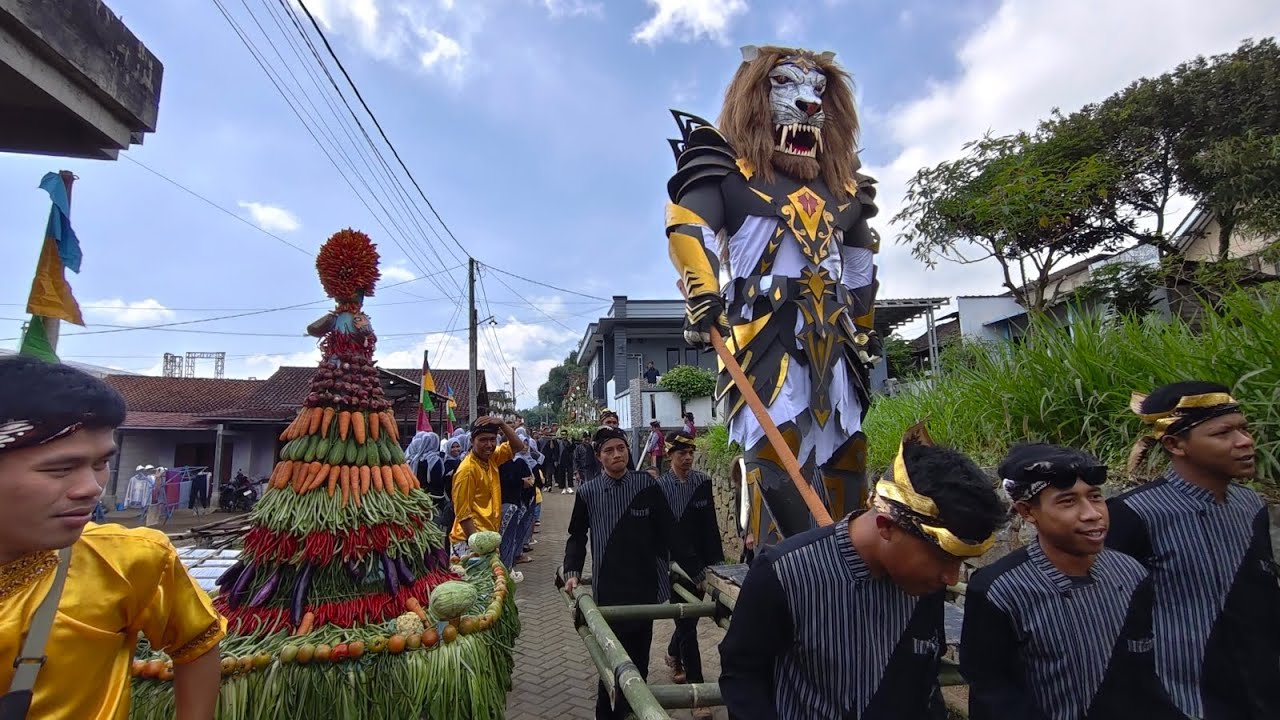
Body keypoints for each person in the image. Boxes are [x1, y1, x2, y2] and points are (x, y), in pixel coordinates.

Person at [665, 46, 883, 548]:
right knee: (774, 448)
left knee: (846, 450)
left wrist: (864, 324)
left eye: (818, 90)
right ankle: (784, 570)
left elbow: (859, 262)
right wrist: (703, 292)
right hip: (764, 335)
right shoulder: (728, 174)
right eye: (785, 84)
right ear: (756, 98)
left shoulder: (844, 189)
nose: (808, 102)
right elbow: (686, 225)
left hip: (837, 340)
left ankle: (849, 559)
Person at [718, 424, 1005, 719]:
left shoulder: (924, 585)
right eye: (943, 558)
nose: (952, 578)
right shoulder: (784, 573)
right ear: (887, 527)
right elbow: (742, 677)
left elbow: (923, 682)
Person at [0, 356, 224, 717]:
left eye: (100, 464)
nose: (91, 488)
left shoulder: (130, 560)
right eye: (60, 469)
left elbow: (198, 645)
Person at [961, 443, 1180, 720]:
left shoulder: (1131, 573)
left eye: (1095, 497)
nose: (1092, 513)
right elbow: (995, 697)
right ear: (1027, 512)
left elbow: (1147, 674)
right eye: (1068, 501)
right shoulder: (1000, 590)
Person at [1106, 382, 1280, 719]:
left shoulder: (1249, 505)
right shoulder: (1133, 515)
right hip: (1182, 697)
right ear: (1175, 444)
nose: (1245, 441)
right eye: (1223, 433)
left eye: (1244, 429)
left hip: (1260, 690)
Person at [563, 426, 703, 720]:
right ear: (599, 457)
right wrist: (572, 571)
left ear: (628, 451)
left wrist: (697, 571)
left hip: (644, 588)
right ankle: (609, 714)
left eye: (621, 449)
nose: (617, 455)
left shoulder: (647, 487)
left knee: (638, 659)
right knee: (612, 660)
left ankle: (633, 711)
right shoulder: (588, 492)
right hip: (608, 589)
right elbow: (576, 535)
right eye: (609, 451)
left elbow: (670, 532)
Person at [659, 432, 722, 717]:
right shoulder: (660, 488)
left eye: (690, 453)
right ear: (670, 455)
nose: (687, 458)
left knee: (690, 619)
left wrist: (716, 564)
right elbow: (666, 534)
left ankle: (673, 655)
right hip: (676, 566)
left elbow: (710, 526)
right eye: (681, 453)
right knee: (687, 624)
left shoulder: (702, 482)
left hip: (701, 566)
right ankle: (698, 696)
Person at [450, 416, 525, 558]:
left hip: (487, 539)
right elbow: (463, 514)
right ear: (472, 441)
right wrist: (478, 547)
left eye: (492, 439)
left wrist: (502, 424)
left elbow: (517, 446)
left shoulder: (491, 458)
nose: (489, 444)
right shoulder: (467, 470)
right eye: (483, 440)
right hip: (469, 541)